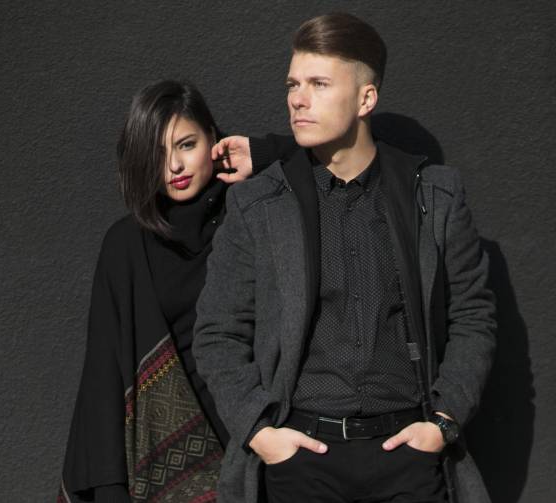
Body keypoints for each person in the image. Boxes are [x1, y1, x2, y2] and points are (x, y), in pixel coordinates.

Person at [193, 13, 497, 503]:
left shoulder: (434, 197)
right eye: (293, 84)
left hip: (409, 458)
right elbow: (217, 333)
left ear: (365, 99)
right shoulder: (258, 205)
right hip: (301, 461)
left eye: (319, 84)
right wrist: (261, 433)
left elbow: (473, 317)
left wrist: (443, 422)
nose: (298, 98)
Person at [57, 80, 291, 503]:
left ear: (213, 138)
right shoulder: (127, 245)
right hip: (169, 464)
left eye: (186, 145)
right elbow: (103, 377)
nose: (175, 166)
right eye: (158, 153)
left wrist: (264, 153)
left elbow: (349, 162)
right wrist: (111, 491)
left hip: (262, 447)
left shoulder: (257, 217)